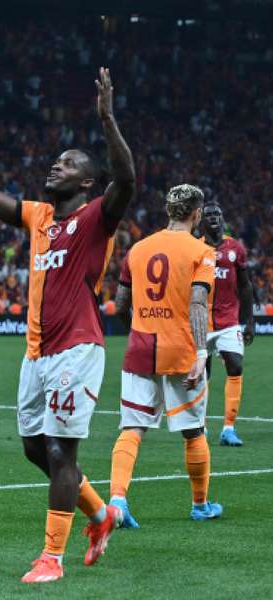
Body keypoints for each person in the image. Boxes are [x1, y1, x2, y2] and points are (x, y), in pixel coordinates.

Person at [0, 67, 135, 583]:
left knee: (61, 450)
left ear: (85, 182)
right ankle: (101, 515)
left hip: (78, 347)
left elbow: (126, 179)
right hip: (36, 352)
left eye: (67, 165)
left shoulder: (98, 216)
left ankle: (50, 560)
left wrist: (107, 118)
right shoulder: (39, 216)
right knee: (35, 447)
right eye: (55, 162)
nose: (54, 167)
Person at [109, 184, 222, 529]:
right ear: (196, 214)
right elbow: (198, 303)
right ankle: (200, 505)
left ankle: (117, 501)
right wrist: (202, 351)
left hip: (141, 348)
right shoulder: (201, 251)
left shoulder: (139, 249)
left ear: (167, 211)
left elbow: (121, 306)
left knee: (132, 428)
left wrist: (141, 328)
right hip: (182, 351)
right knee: (193, 430)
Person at [199, 201, 255, 446]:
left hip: (229, 321)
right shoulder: (194, 248)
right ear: (201, 220)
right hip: (200, 321)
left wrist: (249, 320)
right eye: (208, 214)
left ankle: (228, 429)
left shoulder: (235, 248)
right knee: (202, 374)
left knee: (236, 365)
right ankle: (200, 426)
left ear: (223, 218)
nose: (213, 217)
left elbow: (245, 285)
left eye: (217, 214)